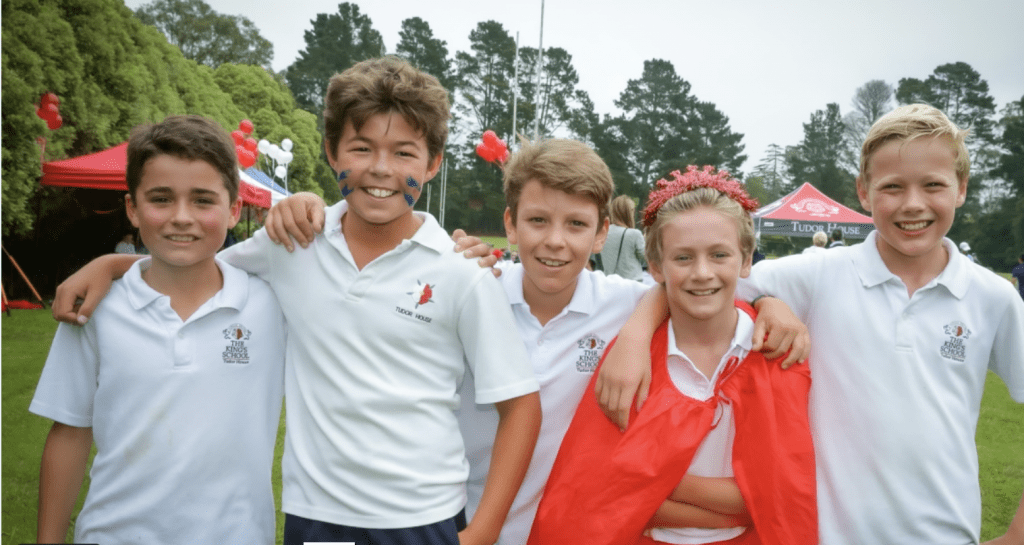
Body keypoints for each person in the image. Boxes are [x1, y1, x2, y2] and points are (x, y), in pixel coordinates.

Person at [50, 56, 541, 545]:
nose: (381, 169)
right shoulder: (292, 242)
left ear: (434, 162)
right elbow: (191, 261)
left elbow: (520, 406)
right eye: (361, 147)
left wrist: (483, 531)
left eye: (405, 153)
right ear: (331, 151)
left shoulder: (462, 272)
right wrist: (111, 265)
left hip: (424, 518)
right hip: (318, 517)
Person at [267, 142, 811, 545]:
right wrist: (314, 205)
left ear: (601, 235)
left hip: (567, 528)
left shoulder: (621, 302)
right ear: (510, 223)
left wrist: (768, 305)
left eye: (576, 225)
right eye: (536, 221)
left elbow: (701, 283)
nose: (555, 240)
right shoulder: (469, 288)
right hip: (453, 519)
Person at [595, 104, 1024, 544]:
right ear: (863, 191)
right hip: (827, 535)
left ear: (962, 188)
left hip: (946, 534)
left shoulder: (993, 297)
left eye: (933, 185)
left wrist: (1016, 535)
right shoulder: (819, 274)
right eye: (892, 187)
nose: (912, 204)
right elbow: (697, 282)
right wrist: (637, 335)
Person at [528, 165, 816, 545]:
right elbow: (596, 491)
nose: (701, 273)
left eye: (719, 255)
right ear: (656, 266)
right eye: (682, 258)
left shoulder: (776, 351)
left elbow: (782, 496)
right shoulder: (631, 358)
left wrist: (650, 477)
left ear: (746, 260)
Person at [31, 115, 286, 544]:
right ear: (132, 207)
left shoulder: (272, 304)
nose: (181, 217)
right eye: (161, 199)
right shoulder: (96, 308)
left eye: (203, 201)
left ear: (235, 209)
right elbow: (70, 432)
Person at [600, 194, 647, 280]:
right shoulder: (634, 234)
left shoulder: (604, 232)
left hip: (610, 283)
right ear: (628, 213)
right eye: (632, 211)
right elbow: (647, 259)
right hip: (633, 284)